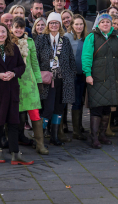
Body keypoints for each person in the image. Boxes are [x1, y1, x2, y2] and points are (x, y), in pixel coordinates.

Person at [0, 23, 33, 165]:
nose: (1, 34)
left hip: (11, 90)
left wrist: (13, 73)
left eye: (3, 32)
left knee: (14, 122)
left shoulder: (13, 48)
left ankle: (15, 153)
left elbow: (22, 66)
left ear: (7, 33)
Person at [82, 13, 118, 147]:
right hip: (96, 77)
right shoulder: (92, 37)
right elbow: (86, 57)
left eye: (107, 22)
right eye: (102, 22)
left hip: (112, 77)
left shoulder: (117, 38)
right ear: (98, 23)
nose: (105, 24)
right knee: (96, 108)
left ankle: (102, 135)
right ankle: (94, 137)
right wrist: (88, 74)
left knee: (107, 108)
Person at [35, 13, 77, 146]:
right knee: (48, 109)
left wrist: (71, 75)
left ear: (60, 25)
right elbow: (35, 59)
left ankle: (54, 136)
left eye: (56, 23)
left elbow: (71, 59)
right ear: (48, 24)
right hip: (47, 80)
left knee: (59, 108)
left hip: (63, 80)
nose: (54, 25)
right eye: (51, 23)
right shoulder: (41, 39)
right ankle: (39, 139)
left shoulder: (65, 40)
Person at [11, 18, 48, 154]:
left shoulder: (30, 42)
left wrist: (39, 81)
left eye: (21, 27)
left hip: (29, 83)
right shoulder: (7, 42)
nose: (19, 30)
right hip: (14, 83)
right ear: (12, 27)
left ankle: (40, 144)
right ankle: (14, 144)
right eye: (16, 27)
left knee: (34, 113)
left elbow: (35, 63)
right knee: (14, 114)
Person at [64, 14, 89, 141]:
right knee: (75, 101)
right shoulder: (67, 37)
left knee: (81, 101)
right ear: (72, 25)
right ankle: (76, 131)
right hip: (72, 75)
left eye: (81, 24)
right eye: (76, 24)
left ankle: (79, 126)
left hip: (84, 74)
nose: (79, 26)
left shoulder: (87, 38)